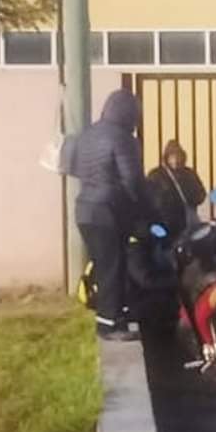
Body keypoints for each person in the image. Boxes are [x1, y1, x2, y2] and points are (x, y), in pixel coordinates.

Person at [71, 89, 155, 341]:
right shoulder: (123, 139)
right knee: (113, 267)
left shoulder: (87, 135)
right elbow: (133, 181)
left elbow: (76, 168)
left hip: (84, 209)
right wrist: (148, 212)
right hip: (108, 211)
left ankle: (119, 313)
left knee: (105, 264)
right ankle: (109, 324)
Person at [146, 139, 207, 237]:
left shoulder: (189, 173)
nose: (175, 160)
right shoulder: (157, 175)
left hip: (188, 220)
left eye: (178, 156)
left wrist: (190, 195)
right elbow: (153, 200)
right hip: (167, 222)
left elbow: (201, 194)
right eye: (172, 156)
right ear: (166, 158)